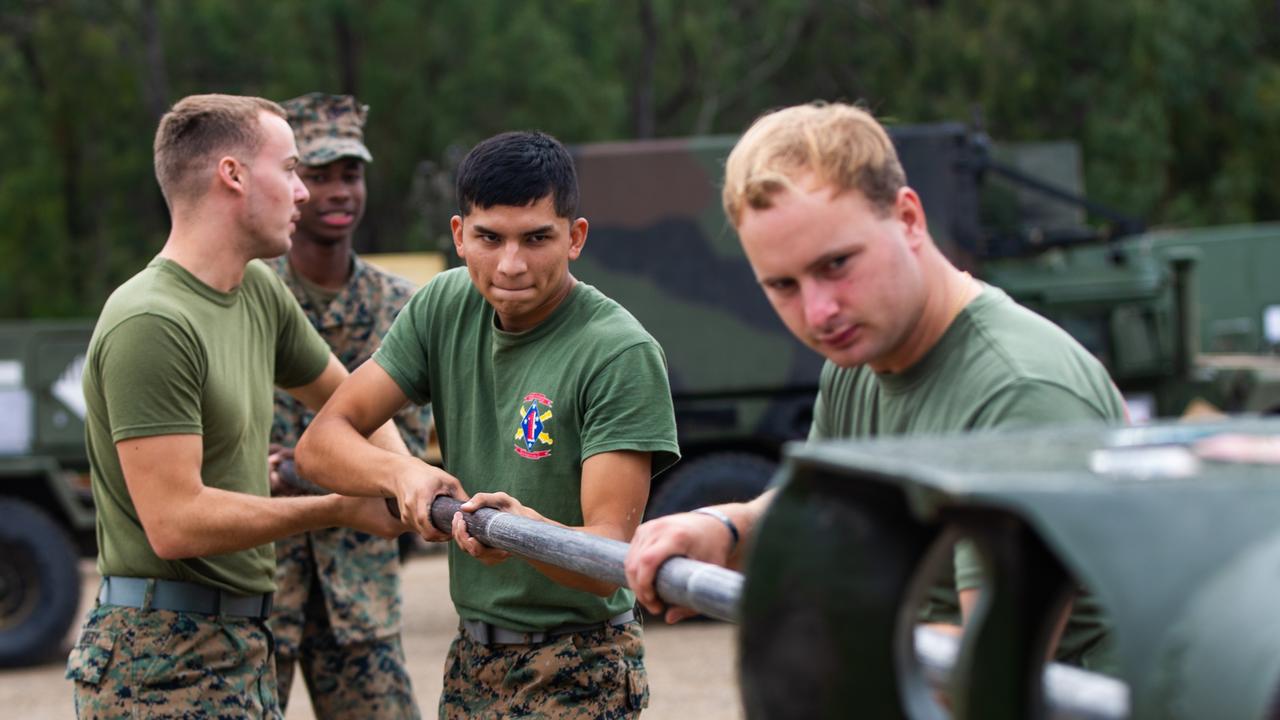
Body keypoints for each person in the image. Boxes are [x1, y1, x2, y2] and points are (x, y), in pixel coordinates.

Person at [623, 102, 1127, 670]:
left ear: (909, 218)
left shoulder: (1019, 389)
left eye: (837, 264)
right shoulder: (860, 357)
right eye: (783, 284)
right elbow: (820, 509)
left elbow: (989, 663)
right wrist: (726, 528)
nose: (818, 312)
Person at [63, 94, 451, 719]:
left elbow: (346, 402)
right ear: (233, 176)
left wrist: (404, 478)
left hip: (240, 646)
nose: (304, 192)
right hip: (158, 658)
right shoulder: (152, 320)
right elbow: (176, 522)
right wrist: (337, 508)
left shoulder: (256, 290)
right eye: (292, 168)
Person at [295, 130, 680, 718]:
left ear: (575, 238)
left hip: (581, 665)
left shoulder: (618, 352)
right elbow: (322, 443)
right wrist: (405, 475)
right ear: (459, 236)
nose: (511, 264)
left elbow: (609, 558)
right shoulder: (445, 306)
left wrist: (524, 532)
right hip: (472, 656)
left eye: (536, 239)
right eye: (489, 238)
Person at [264, 93, 428, 718]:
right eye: (318, 174)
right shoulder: (250, 294)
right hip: (261, 590)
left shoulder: (401, 306)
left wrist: (289, 470)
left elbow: (406, 456)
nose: (338, 192)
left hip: (359, 593)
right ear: (292, 185)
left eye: (350, 175)